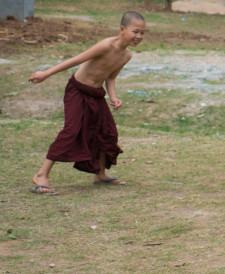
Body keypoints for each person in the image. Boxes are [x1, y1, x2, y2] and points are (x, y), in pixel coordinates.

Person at [29, 11, 146, 195]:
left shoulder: (127, 55)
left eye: (142, 33)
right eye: (135, 31)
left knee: (107, 132)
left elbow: (111, 76)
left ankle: (100, 174)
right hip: (77, 90)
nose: (139, 36)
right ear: (122, 29)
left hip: (96, 94)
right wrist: (46, 73)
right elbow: (75, 60)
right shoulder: (106, 45)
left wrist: (113, 97)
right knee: (71, 131)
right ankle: (41, 174)